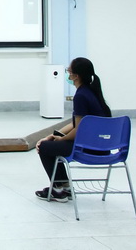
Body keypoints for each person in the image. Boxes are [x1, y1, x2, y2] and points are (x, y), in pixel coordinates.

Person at [35, 56, 112, 202]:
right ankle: (65, 187)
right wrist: (54, 135)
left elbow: (78, 129)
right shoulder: (92, 92)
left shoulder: (81, 96)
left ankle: (58, 189)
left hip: (88, 148)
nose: (67, 74)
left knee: (44, 147)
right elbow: (75, 124)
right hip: (102, 146)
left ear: (76, 76)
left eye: (68, 71)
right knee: (51, 143)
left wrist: (61, 139)